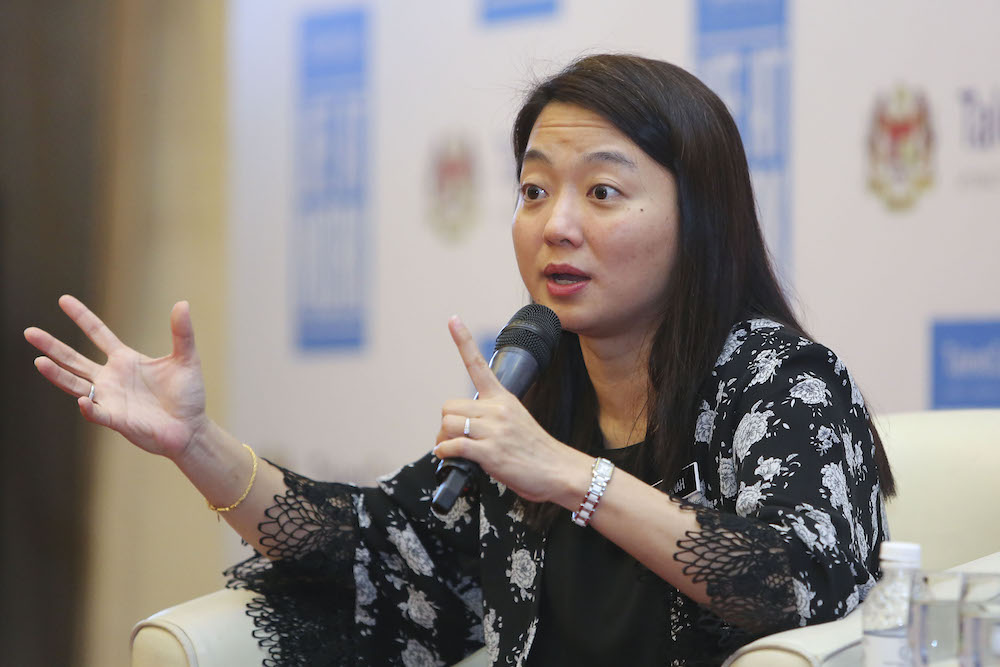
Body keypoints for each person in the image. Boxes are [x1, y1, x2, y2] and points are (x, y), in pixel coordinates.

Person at [24, 54, 894, 666]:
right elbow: (383, 554)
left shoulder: (781, 381)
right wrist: (195, 443)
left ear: (698, 217)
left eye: (602, 191)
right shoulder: (543, 397)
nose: (556, 223)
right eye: (533, 189)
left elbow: (792, 583)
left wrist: (570, 477)